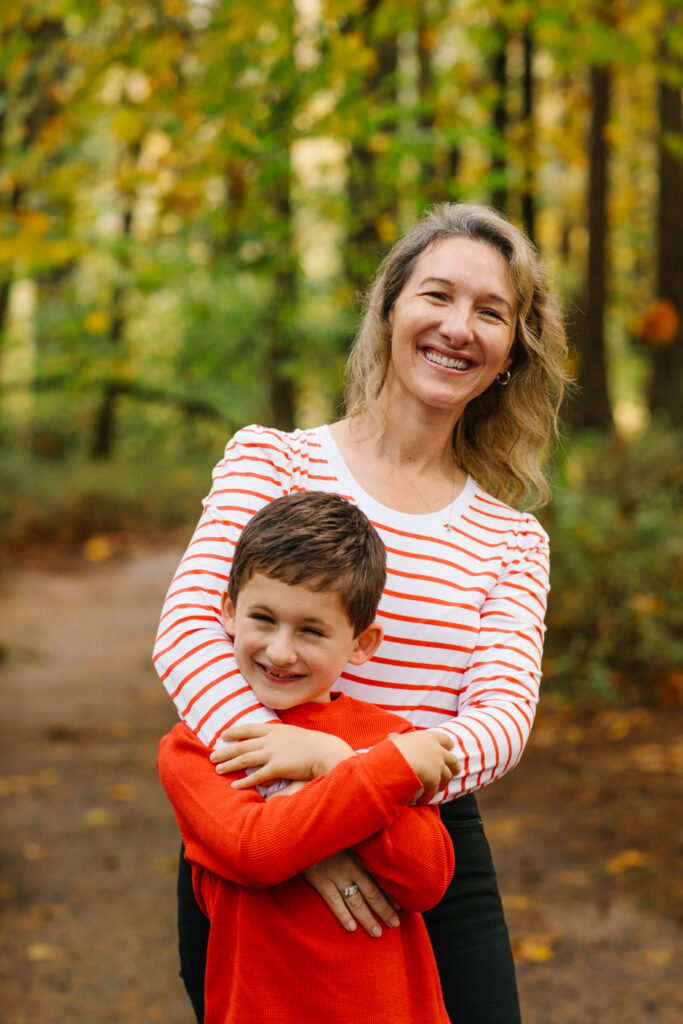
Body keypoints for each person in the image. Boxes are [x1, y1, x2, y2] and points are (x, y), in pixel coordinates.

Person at [154, 202, 570, 1023]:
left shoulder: (512, 539)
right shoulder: (272, 458)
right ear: (387, 311)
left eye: (490, 313)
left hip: (423, 842)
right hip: (250, 817)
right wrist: (296, 818)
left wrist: (344, 784)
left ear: (510, 357)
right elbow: (188, 632)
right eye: (436, 296)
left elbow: (499, 719)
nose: (458, 327)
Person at [158, 491, 457, 1024]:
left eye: (311, 631)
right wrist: (374, 771)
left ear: (362, 644)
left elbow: (426, 878)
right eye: (264, 619)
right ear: (228, 612)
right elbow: (256, 849)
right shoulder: (199, 748)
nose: (279, 651)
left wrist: (336, 761)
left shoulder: (386, 734)